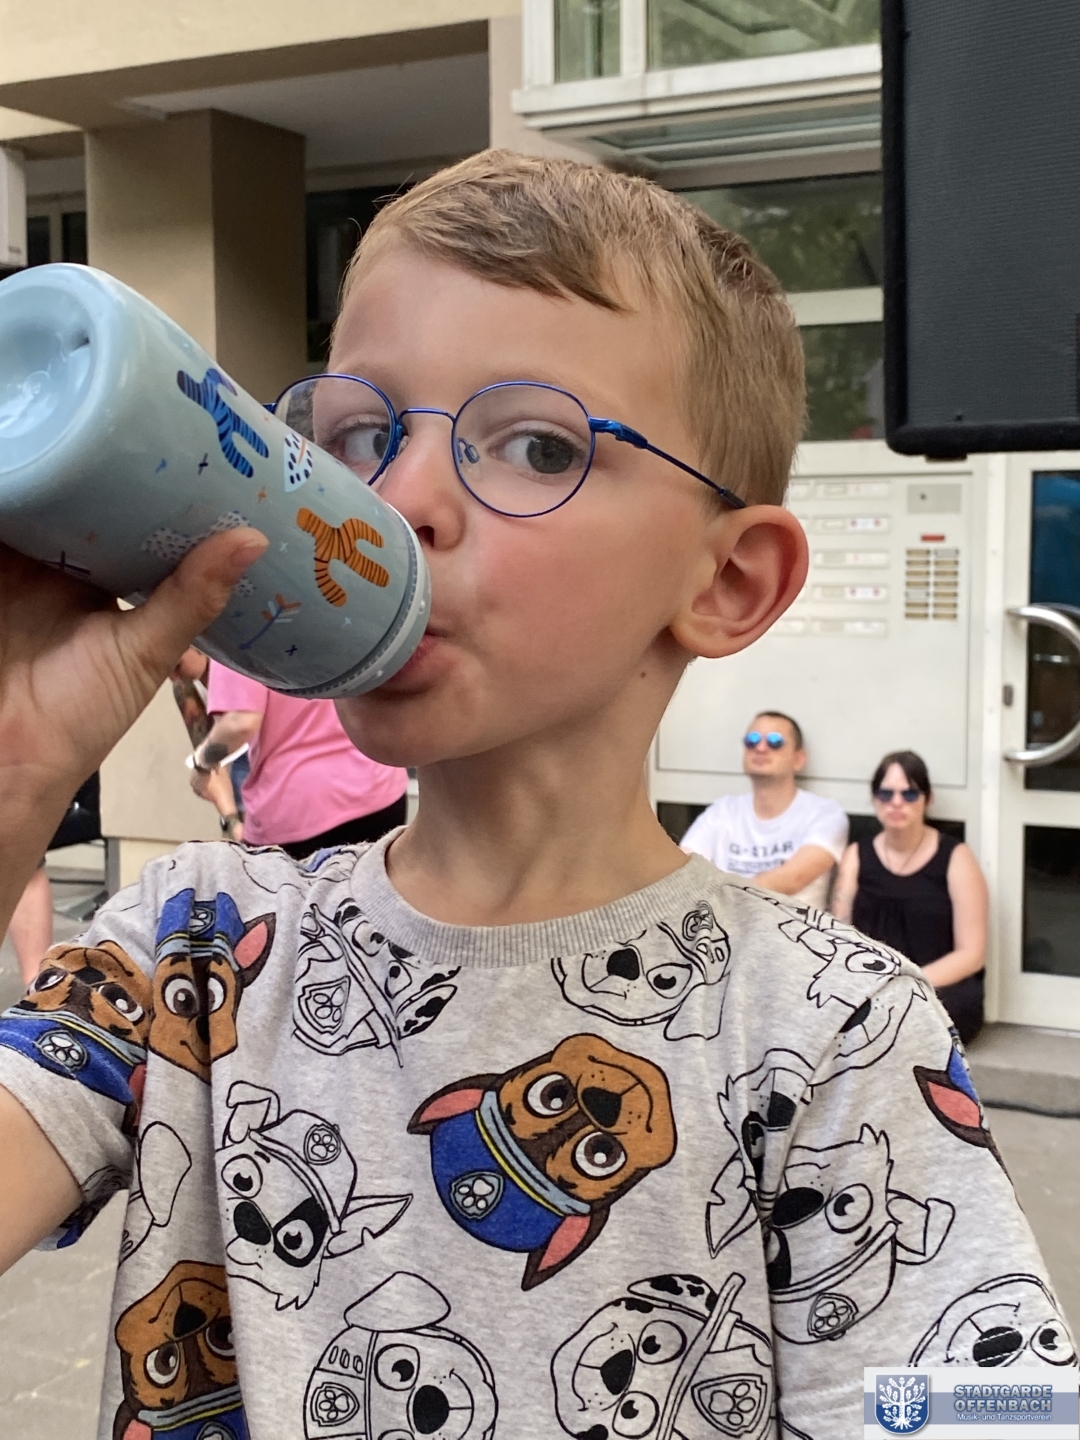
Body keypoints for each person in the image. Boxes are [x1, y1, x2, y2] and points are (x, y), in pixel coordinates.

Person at [0, 152, 1069, 1440]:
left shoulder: (833, 1025)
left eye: (537, 446)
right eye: (359, 437)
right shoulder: (193, 950)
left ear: (727, 582)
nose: (397, 502)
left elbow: (988, 1408)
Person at [832, 750, 988, 1044]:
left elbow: (971, 954)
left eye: (909, 794)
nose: (896, 802)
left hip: (937, 985)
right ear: (874, 799)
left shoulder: (956, 857)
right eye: (886, 794)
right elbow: (841, 934)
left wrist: (907, 983)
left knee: (925, 1016)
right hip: (872, 982)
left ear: (928, 800)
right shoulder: (856, 855)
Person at [191, 659, 409, 857]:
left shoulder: (231, 634)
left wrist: (202, 765)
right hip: (377, 786)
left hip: (297, 807)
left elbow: (240, 722)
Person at [681, 710, 848, 905]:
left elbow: (791, 879)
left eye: (774, 741)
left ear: (799, 759)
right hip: (719, 921)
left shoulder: (825, 814)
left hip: (789, 925)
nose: (760, 748)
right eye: (751, 740)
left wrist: (713, 895)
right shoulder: (721, 812)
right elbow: (682, 871)